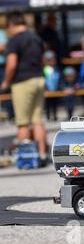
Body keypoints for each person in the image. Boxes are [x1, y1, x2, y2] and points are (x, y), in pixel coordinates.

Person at [1, 11, 48, 167]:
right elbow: (42, 59)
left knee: (22, 122)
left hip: (22, 81)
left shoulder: (15, 40)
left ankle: (25, 157)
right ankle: (41, 154)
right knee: (37, 121)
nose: (7, 31)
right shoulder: (36, 37)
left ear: (13, 24)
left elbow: (11, 64)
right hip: (38, 78)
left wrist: (6, 82)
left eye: (7, 28)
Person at [42, 44, 61, 121]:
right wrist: (45, 88)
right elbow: (43, 80)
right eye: (49, 60)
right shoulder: (44, 70)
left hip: (55, 89)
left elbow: (58, 79)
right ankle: (48, 116)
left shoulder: (56, 69)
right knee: (48, 104)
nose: (51, 61)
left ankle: (54, 115)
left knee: (55, 103)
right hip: (47, 89)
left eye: (52, 59)